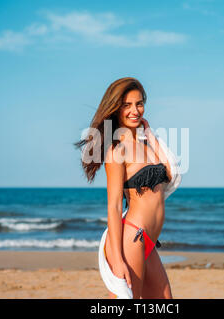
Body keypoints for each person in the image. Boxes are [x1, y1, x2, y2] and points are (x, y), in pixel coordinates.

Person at [74, 77, 181, 299]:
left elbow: (170, 174)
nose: (135, 110)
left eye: (139, 103)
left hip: (149, 242)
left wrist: (150, 135)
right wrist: (118, 257)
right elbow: (113, 206)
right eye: (127, 105)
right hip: (134, 237)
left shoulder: (147, 144)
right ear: (116, 109)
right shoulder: (117, 151)